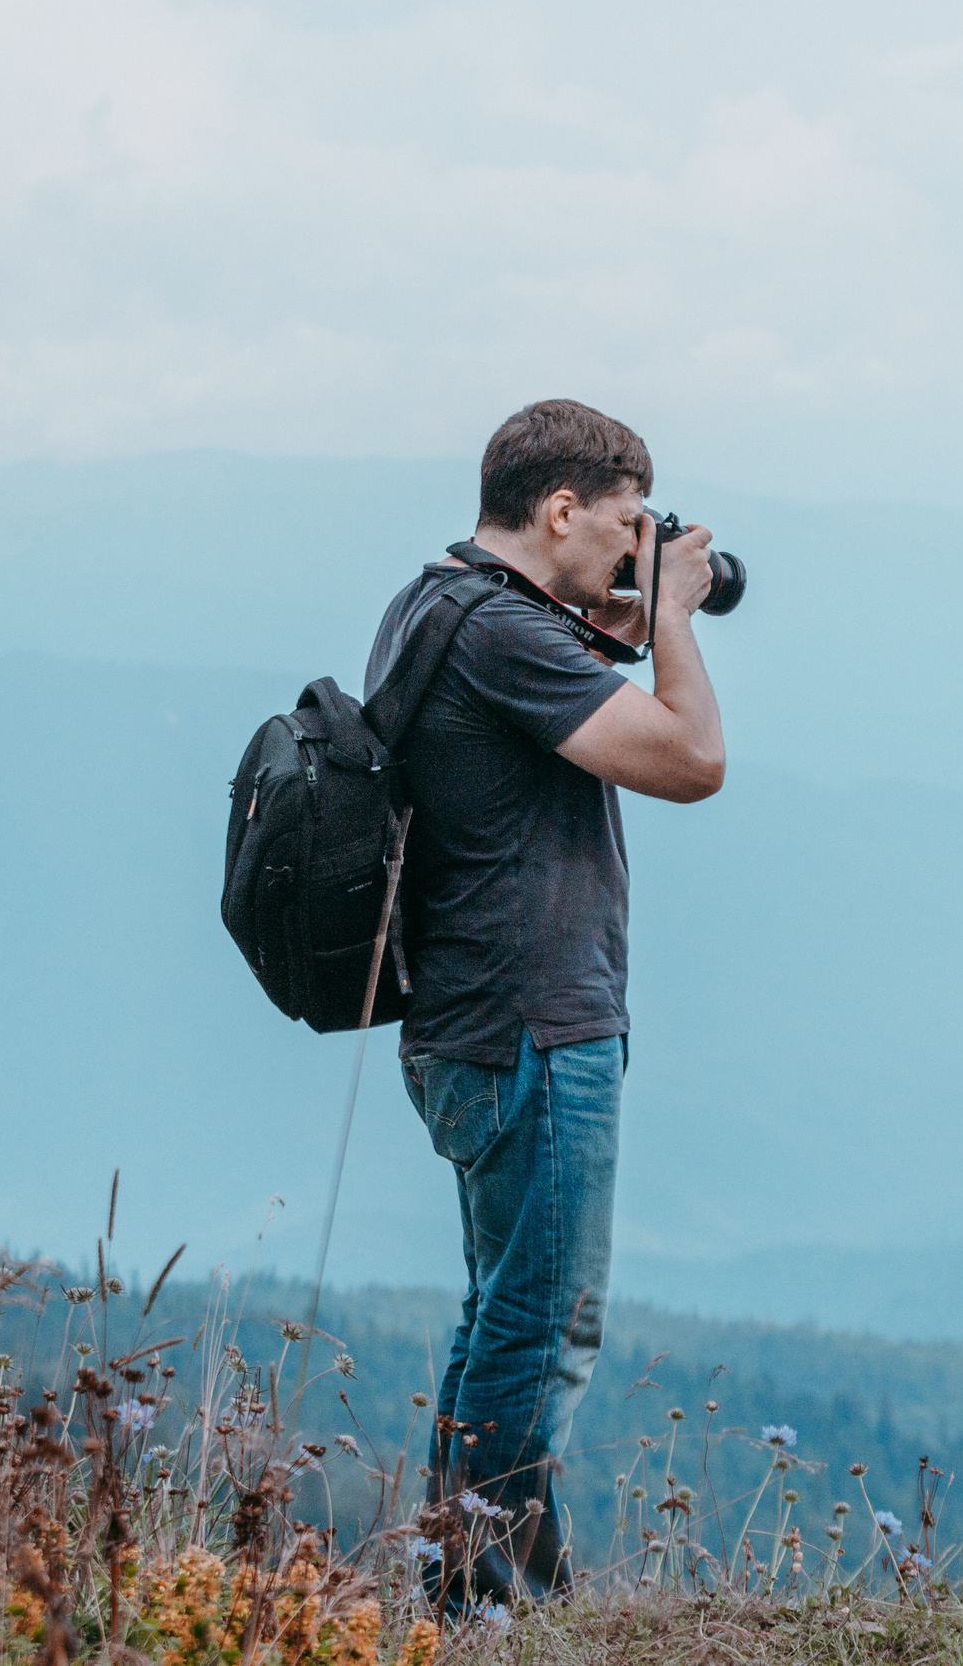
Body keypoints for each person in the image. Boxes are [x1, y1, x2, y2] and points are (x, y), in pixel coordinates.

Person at [362, 399, 725, 1605]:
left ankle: (477, 1582)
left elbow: (529, 703)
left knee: (499, 1316)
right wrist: (671, 618)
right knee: (544, 1329)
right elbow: (690, 762)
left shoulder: (440, 602)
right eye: (624, 523)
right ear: (559, 509)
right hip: (534, 1029)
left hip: (467, 1025)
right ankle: (486, 1607)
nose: (633, 547)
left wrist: (614, 623)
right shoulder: (506, 636)